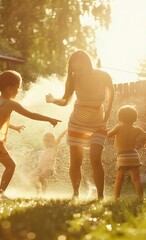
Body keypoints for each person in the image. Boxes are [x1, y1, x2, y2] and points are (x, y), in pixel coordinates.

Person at [0, 70, 61, 198]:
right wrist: (49, 119)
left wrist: (14, 127)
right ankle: (0, 195)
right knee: (10, 166)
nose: (18, 91)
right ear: (9, 88)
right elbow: (31, 115)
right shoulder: (10, 104)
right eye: (17, 88)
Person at [46, 50, 114, 199]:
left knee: (95, 159)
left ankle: (100, 197)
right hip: (77, 123)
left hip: (98, 123)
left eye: (80, 69)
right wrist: (52, 100)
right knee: (76, 162)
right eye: (74, 69)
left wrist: (108, 112)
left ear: (87, 64)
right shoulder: (73, 79)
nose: (77, 72)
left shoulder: (103, 76)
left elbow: (111, 92)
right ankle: (75, 193)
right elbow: (65, 101)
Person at [106, 105, 146, 202]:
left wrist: (103, 130)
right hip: (134, 155)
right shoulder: (137, 129)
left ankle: (116, 198)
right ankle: (141, 198)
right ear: (134, 117)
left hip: (123, 156)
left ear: (120, 117)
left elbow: (109, 135)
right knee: (136, 179)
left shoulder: (118, 127)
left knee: (119, 179)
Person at [30, 130, 67, 195]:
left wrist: (66, 130)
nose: (47, 143)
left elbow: (60, 137)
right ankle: (38, 189)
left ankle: (43, 193)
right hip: (40, 168)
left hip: (49, 168)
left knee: (41, 176)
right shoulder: (43, 151)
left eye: (49, 141)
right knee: (30, 176)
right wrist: (36, 163)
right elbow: (41, 161)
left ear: (53, 141)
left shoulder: (54, 147)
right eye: (45, 141)